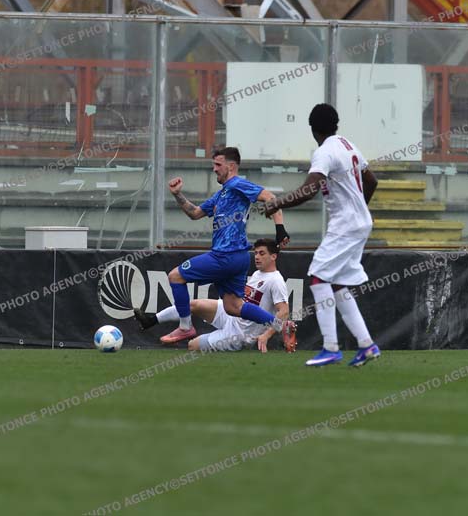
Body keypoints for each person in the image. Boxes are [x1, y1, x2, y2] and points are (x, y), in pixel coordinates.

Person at [261, 103, 380, 367]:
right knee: (336, 283)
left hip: (346, 224)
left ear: (312, 129)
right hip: (360, 222)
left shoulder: (324, 152)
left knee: (318, 276)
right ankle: (366, 345)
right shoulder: (348, 145)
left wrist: (277, 202)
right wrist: (359, 209)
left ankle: (330, 348)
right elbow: (372, 181)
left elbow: (309, 190)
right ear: (336, 125)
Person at [162, 147, 293, 345]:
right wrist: (178, 194)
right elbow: (195, 213)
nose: (214, 169)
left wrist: (280, 229)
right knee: (233, 307)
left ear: (231, 166)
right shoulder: (221, 194)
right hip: (238, 257)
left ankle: (186, 327)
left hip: (225, 255)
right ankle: (281, 325)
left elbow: (270, 198)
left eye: (218, 165)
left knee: (175, 276)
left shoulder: (238, 184)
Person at [134, 239, 296, 353]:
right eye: (256, 253)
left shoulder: (276, 280)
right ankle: (151, 320)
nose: (257, 257)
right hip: (232, 314)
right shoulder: (257, 274)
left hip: (240, 334)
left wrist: (266, 335)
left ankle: (198, 338)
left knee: (192, 346)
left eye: (262, 253)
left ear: (273, 256)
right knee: (194, 305)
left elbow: (284, 311)